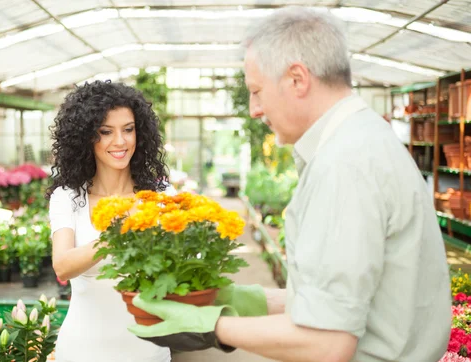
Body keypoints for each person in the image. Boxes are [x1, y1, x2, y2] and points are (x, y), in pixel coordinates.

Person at [128, 7, 452, 362]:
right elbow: (345, 300)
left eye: (256, 90)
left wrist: (210, 325)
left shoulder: (345, 165)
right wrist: (244, 298)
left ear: (297, 79)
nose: (253, 109)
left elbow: (327, 343)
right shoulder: (365, 139)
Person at [47, 80, 175, 362]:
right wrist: (119, 230)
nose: (120, 141)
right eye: (106, 132)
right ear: (86, 138)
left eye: (128, 130)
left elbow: (178, 265)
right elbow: (63, 265)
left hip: (148, 350)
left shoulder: (161, 196)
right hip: (82, 350)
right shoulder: (68, 197)